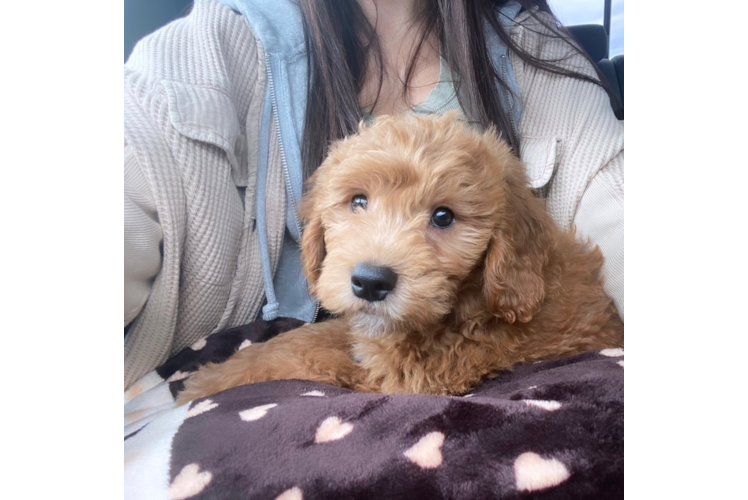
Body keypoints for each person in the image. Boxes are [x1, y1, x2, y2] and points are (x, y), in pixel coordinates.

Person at [124, 0, 625, 390]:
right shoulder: (209, 44)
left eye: (443, 217)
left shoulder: (536, 51)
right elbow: (139, 157)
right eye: (359, 202)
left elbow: (623, 212)